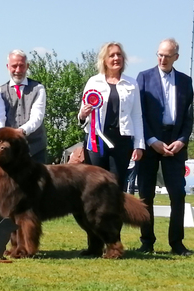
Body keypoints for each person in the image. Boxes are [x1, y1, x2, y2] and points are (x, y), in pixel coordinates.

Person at [77, 42, 145, 256]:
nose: (115, 58)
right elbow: (81, 115)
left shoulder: (131, 84)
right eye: (111, 55)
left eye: (118, 55)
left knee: (114, 194)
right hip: (96, 141)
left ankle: (114, 243)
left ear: (123, 59)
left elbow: (137, 116)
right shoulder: (93, 82)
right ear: (104, 60)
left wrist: (139, 144)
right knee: (93, 193)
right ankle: (94, 244)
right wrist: (84, 114)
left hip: (122, 141)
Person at [136, 38, 194, 256]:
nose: (162, 59)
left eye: (167, 55)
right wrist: (152, 141)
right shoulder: (144, 77)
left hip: (175, 142)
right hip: (151, 141)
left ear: (176, 57)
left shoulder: (186, 81)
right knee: (145, 194)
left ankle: (177, 244)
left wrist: (182, 140)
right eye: (159, 54)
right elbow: (138, 113)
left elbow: (189, 117)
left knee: (177, 194)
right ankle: (147, 242)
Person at [0, 49, 47, 224]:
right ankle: (1, 233)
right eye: (14, 66)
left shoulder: (38, 88)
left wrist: (18, 133)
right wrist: (4, 139)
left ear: (27, 67)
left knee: (34, 195)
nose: (18, 69)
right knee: (5, 192)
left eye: (21, 66)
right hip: (8, 154)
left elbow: (37, 118)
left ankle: (30, 234)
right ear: (8, 66)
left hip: (35, 149)